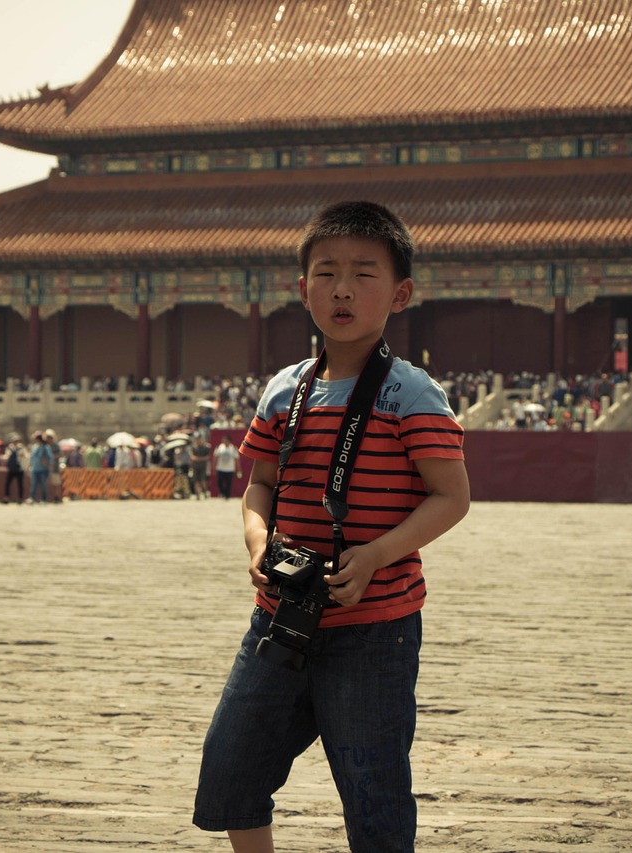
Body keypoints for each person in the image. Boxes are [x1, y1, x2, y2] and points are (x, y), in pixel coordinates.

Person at [193, 201, 469, 852]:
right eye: (327, 273)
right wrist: (258, 542)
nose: (342, 289)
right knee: (232, 770)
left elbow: (451, 496)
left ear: (400, 294)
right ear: (303, 289)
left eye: (364, 274)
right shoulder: (283, 390)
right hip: (280, 616)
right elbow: (259, 485)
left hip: (374, 628)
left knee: (374, 800)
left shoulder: (412, 393)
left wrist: (375, 554)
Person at [28, 434, 55, 503]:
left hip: (43, 469)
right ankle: (32, 498)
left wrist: (50, 465)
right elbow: (32, 457)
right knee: (34, 485)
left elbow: (50, 458)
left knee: (43, 485)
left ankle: (44, 499)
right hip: (35, 468)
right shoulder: (34, 447)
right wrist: (29, 465)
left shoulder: (45, 447)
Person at [212, 434, 240, 499]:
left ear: (229, 441)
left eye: (225, 440)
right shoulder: (219, 447)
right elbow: (215, 457)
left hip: (230, 469)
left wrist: (239, 468)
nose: (224, 441)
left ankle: (227, 495)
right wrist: (213, 466)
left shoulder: (233, 448)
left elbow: (236, 459)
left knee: (229, 483)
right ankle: (222, 493)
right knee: (219, 482)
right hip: (220, 468)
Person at [188, 434, 212, 499]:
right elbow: (192, 457)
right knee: (196, 481)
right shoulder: (194, 448)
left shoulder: (205, 447)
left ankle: (205, 492)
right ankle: (197, 493)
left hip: (203, 466)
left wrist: (199, 459)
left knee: (203, 480)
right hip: (195, 466)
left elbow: (208, 456)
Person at [2, 439, 26, 504]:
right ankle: (6, 497)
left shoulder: (21, 448)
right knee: (7, 483)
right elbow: (7, 456)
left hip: (19, 469)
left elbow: (24, 457)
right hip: (11, 468)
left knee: (20, 484)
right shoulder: (10, 448)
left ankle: (20, 498)